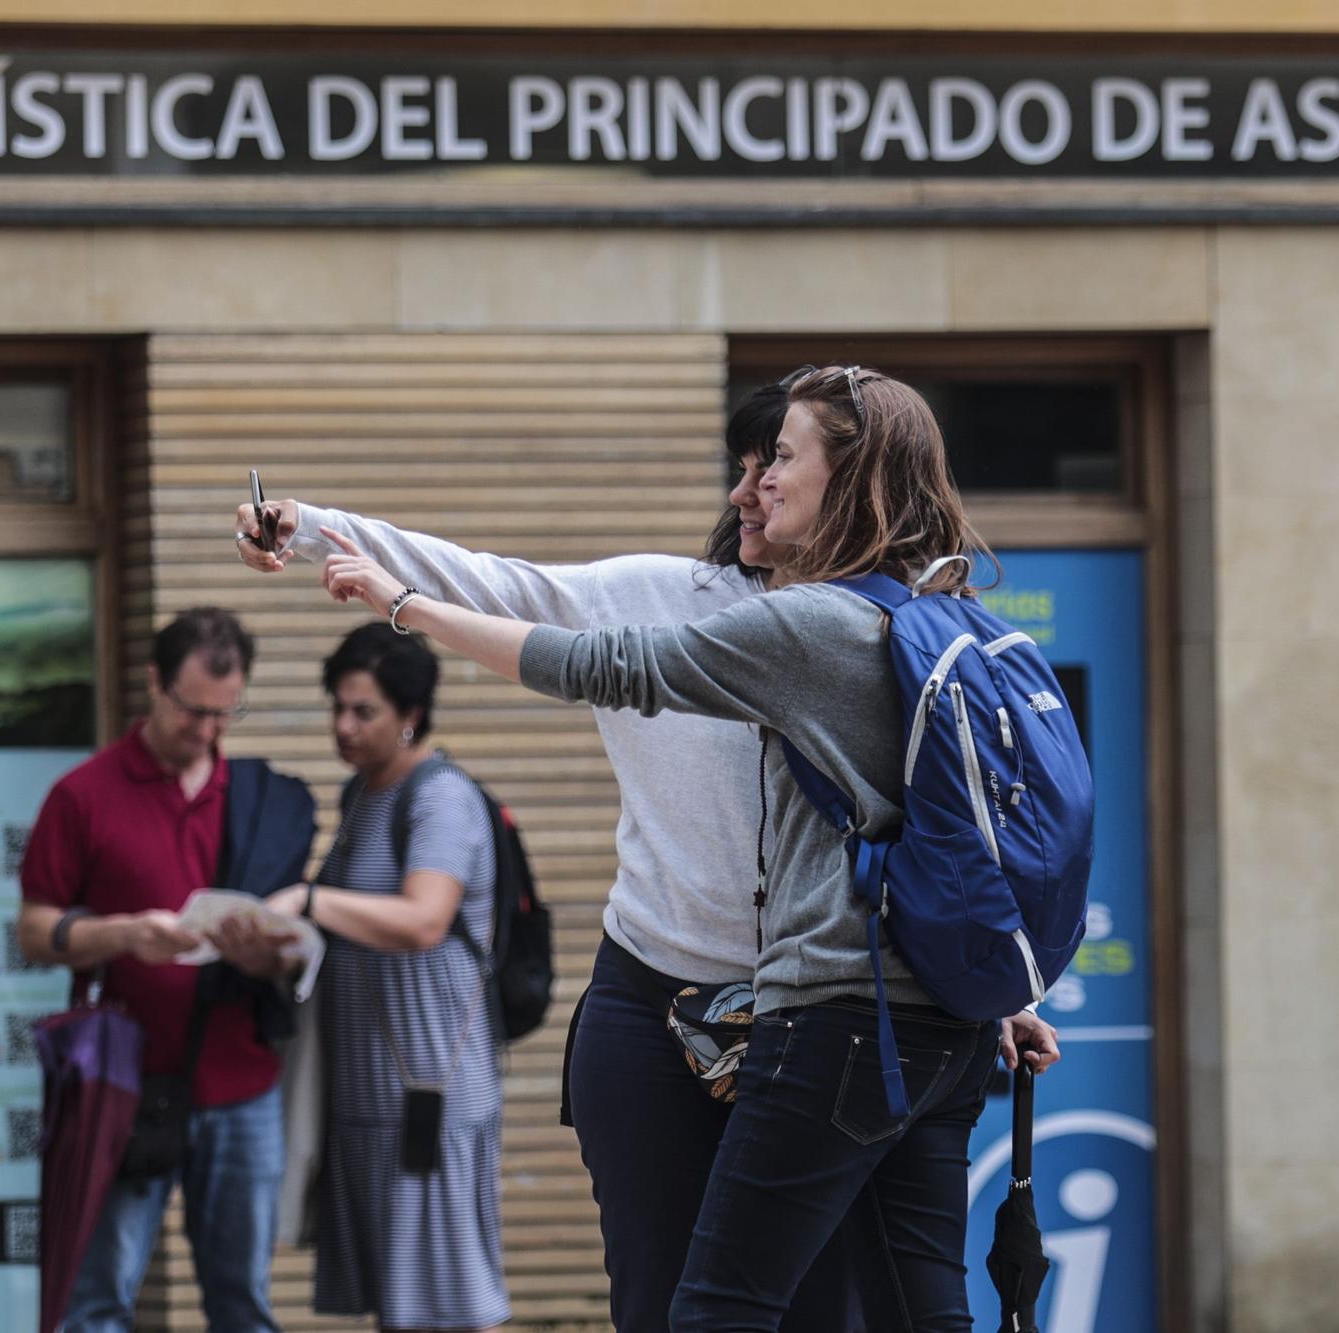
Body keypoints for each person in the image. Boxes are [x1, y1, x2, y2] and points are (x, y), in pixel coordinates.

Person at [292, 365, 1049, 1329]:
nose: (747, 488)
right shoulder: (747, 602)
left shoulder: (852, 626)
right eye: (742, 464)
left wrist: (402, 608)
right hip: (692, 1004)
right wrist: (315, 529)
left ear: (843, 483)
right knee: (727, 1302)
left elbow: (950, 820)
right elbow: (500, 581)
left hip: (824, 1022)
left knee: (773, 1308)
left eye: (773, 460)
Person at [17, 607, 315, 1333]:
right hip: (122, 1083)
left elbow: (293, 937)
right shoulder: (83, 794)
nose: (209, 730)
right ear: (153, 683)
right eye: (193, 710)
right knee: (100, 1301)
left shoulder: (266, 800)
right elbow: (33, 928)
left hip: (241, 1082)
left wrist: (269, 950)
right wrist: (120, 934)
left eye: (226, 713)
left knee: (243, 1301)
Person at [253, 622, 510, 1331]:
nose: (343, 725)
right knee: (400, 1302)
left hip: (430, 1090)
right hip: (366, 1093)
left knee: (450, 1299)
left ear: (411, 717)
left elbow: (424, 919)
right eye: (337, 706)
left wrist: (309, 900)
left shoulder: (441, 799)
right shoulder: (360, 798)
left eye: (363, 711)